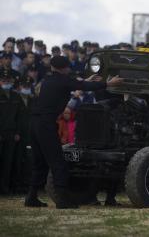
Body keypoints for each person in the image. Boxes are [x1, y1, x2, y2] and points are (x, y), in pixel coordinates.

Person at [24, 56, 123, 209]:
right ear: (65, 68)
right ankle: (63, 200)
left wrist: (87, 79)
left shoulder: (48, 81)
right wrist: (109, 83)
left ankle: (31, 197)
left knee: (40, 163)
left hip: (34, 124)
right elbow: (81, 86)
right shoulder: (63, 81)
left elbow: (75, 84)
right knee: (59, 163)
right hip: (45, 125)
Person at [0, 69, 24, 194]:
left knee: (8, 162)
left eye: (8, 80)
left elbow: (20, 117)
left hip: (11, 133)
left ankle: (5, 187)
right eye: (3, 80)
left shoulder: (16, 96)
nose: (6, 82)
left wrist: (17, 132)